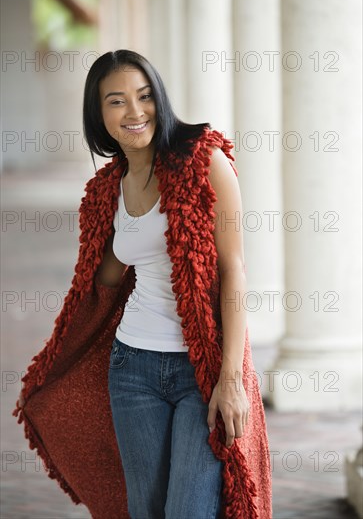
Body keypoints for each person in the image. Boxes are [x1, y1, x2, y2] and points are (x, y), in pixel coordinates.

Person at [15, 49, 272, 519]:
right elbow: (103, 281)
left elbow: (233, 271)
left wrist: (231, 379)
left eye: (144, 95)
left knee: (190, 510)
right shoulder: (106, 190)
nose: (135, 112)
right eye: (117, 101)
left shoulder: (204, 161)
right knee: (145, 510)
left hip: (202, 369)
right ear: (100, 115)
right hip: (131, 367)